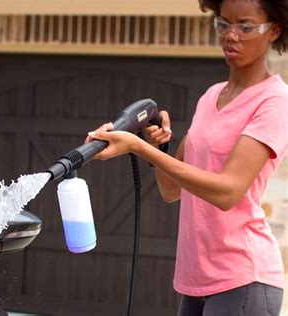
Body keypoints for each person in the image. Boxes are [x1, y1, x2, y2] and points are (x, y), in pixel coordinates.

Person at [87, 0, 288, 315]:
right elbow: (170, 189)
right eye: (223, 24)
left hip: (243, 278)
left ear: (274, 30)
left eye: (245, 26)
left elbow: (227, 191)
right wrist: (158, 145)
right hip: (196, 280)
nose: (231, 36)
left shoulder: (274, 101)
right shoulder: (211, 96)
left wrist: (138, 148)